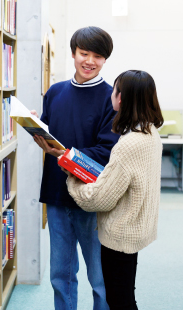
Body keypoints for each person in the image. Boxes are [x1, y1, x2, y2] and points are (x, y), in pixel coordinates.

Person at [31, 26, 119, 310]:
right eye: (84, 53)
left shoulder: (112, 99)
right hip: (56, 195)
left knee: (100, 277)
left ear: (105, 59)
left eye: (98, 56)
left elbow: (108, 151)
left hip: (92, 199)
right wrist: (36, 129)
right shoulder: (55, 92)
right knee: (60, 275)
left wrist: (67, 154)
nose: (90, 61)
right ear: (73, 54)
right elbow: (50, 140)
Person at [63, 70, 164, 310]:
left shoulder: (128, 144)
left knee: (119, 300)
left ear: (121, 98)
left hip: (120, 234)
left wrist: (72, 179)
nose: (112, 94)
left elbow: (99, 200)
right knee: (126, 292)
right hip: (137, 228)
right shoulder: (150, 132)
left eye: (115, 90)